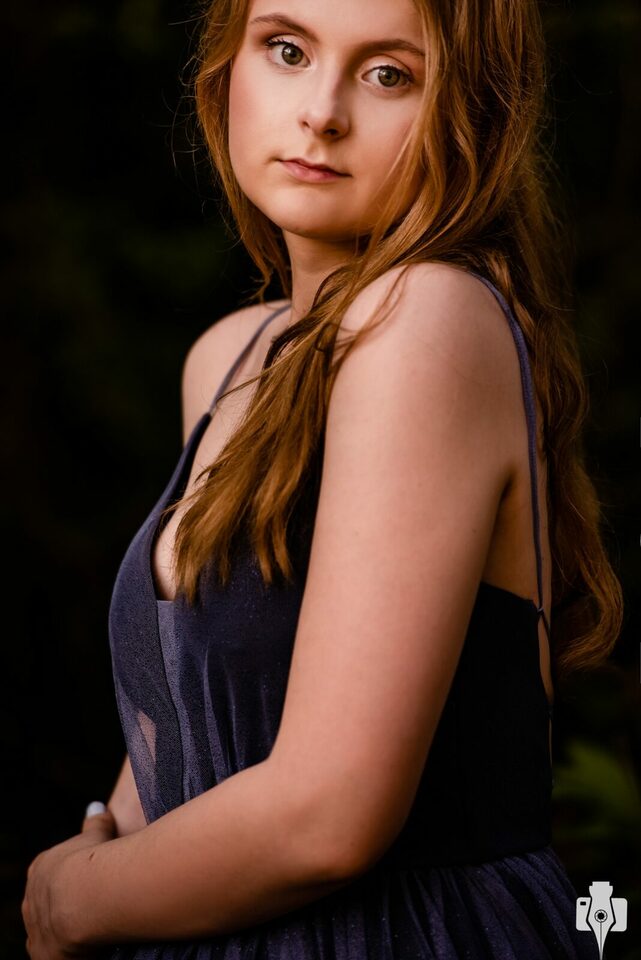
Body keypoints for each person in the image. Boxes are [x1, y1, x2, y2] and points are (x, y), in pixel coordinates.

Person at [22, 0, 623, 957]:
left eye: (388, 75)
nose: (321, 112)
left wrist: (70, 905)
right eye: (287, 49)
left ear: (471, 112)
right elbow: (191, 720)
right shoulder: (230, 357)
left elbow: (327, 818)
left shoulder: (428, 321)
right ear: (225, 66)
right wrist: (104, 850)